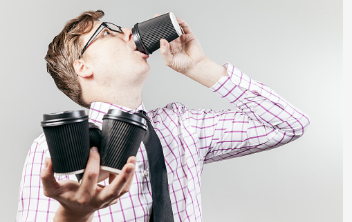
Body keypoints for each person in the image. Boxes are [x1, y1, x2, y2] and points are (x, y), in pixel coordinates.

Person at [16, 9, 310, 222]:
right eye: (108, 32)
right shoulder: (56, 146)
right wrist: (74, 215)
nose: (129, 33)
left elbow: (289, 125)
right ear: (83, 67)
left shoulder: (182, 127)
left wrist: (200, 67)